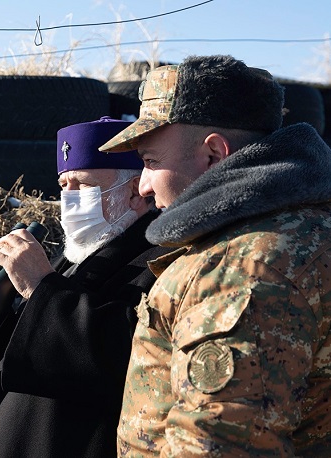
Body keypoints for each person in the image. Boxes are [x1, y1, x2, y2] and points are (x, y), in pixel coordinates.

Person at [99, 55, 331, 457]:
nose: (143, 186)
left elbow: (216, 445)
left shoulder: (243, 266)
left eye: (152, 161)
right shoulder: (300, 228)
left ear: (214, 154)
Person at [0, 116, 170, 457]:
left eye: (84, 185)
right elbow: (18, 354)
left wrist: (39, 286)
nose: (70, 199)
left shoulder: (159, 262)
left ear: (137, 192)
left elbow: (123, 354)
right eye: (64, 185)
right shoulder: (72, 257)